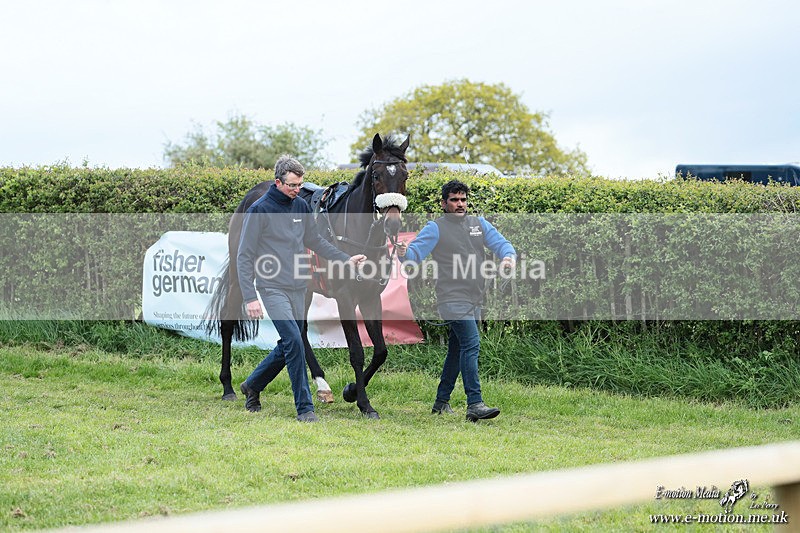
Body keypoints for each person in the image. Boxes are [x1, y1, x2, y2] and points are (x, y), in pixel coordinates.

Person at [237, 155, 366, 422]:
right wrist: (250, 296)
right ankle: (305, 407)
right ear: (278, 182)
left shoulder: (301, 208)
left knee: (288, 344)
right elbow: (244, 256)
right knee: (295, 341)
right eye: (293, 185)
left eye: (300, 184)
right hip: (272, 288)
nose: (298, 190)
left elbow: (315, 240)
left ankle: (253, 384)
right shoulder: (258, 211)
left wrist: (345, 259)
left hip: (299, 286)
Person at [396, 179, 516, 422]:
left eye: (463, 200)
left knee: (457, 349)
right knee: (471, 344)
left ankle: (441, 402)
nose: (460, 204)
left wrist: (508, 257)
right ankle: (475, 403)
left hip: (474, 298)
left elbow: (502, 244)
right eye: (454, 200)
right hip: (451, 299)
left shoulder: (478, 224)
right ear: (444, 203)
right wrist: (403, 253)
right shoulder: (435, 228)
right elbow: (413, 256)